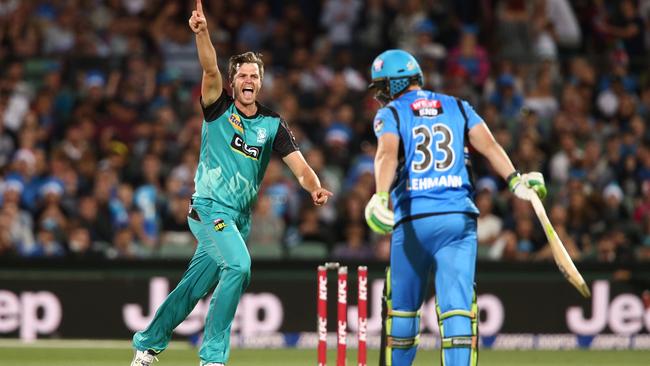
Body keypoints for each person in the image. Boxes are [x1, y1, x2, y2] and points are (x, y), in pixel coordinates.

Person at [130, 1, 333, 365]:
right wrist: (203, 32)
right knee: (239, 266)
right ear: (232, 82)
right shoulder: (218, 107)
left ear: (261, 81)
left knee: (192, 287)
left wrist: (313, 187)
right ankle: (212, 359)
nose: (249, 81)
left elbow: (300, 168)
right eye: (242, 75)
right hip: (208, 208)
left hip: (238, 219)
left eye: (254, 75)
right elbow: (209, 67)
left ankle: (146, 344)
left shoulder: (272, 124)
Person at [364, 49, 546, 366]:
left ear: (394, 84)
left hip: (413, 220)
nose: (380, 96)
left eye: (382, 87)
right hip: (458, 218)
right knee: (458, 312)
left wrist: (380, 195)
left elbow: (387, 153)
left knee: (403, 312)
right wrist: (515, 179)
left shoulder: (391, 113)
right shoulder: (458, 106)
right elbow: (488, 144)